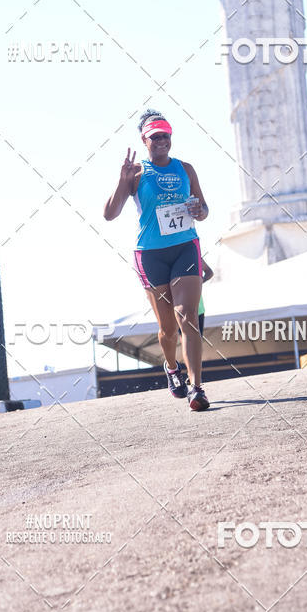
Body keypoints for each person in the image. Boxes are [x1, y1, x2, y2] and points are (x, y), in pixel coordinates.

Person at [104, 109, 210, 410]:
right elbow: (109, 215)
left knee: (187, 316)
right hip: (150, 254)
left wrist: (199, 212)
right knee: (167, 328)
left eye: (166, 136)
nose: (162, 141)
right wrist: (121, 181)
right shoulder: (136, 174)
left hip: (185, 247)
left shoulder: (185, 169)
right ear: (144, 140)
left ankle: (197, 388)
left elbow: (203, 208)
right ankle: (172, 368)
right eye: (155, 137)